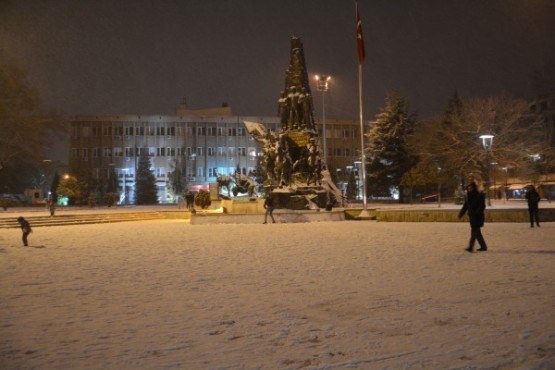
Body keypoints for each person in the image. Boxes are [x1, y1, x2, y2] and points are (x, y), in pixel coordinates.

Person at [458, 182, 488, 253]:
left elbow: (482, 206)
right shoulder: (469, 197)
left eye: (470, 188)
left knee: (474, 232)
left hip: (478, 217)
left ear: (474, 188)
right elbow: (465, 206)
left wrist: (476, 212)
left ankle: (471, 247)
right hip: (472, 217)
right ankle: (483, 246)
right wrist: (461, 214)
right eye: (468, 188)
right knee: (477, 232)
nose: (469, 189)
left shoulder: (479, 195)